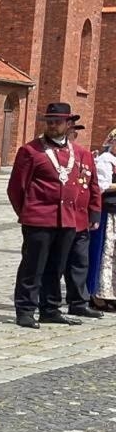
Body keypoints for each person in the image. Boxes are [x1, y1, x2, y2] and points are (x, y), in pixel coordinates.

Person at [8, 102, 102, 329]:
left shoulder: (79, 153)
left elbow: (89, 185)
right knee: (33, 266)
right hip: (39, 218)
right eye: (49, 121)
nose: (52, 125)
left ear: (69, 124)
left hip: (68, 219)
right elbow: (16, 188)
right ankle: (25, 310)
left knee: (56, 267)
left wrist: (92, 212)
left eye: (57, 122)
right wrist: (29, 212)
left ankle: (50, 309)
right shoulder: (30, 151)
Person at [56, 123, 105, 321]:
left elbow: (93, 186)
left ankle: (79, 302)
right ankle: (48, 303)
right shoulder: (53, 154)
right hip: (59, 219)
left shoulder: (84, 154)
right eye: (70, 131)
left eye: (75, 132)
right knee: (56, 263)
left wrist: (95, 213)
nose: (73, 135)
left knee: (80, 262)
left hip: (80, 218)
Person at [88, 128, 116, 310]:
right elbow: (101, 186)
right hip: (109, 212)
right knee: (106, 252)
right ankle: (99, 295)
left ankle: (112, 293)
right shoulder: (105, 160)